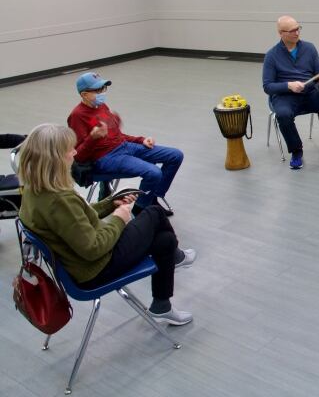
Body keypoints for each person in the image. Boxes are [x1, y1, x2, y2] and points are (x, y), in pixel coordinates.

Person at [18, 124, 196, 325]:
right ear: (55, 159)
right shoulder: (59, 200)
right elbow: (93, 248)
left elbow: (76, 219)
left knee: (165, 240)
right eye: (70, 149)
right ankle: (176, 259)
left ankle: (162, 304)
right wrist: (119, 217)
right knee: (154, 213)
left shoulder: (33, 191)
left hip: (79, 263)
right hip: (95, 269)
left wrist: (110, 203)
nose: (75, 152)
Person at [67, 72, 183, 216]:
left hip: (124, 146)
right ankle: (140, 210)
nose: (102, 93)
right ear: (84, 94)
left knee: (175, 155)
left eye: (103, 89)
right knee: (153, 173)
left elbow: (118, 135)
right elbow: (79, 157)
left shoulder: (102, 106)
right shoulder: (77, 116)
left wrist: (141, 140)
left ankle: (152, 198)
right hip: (106, 158)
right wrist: (93, 137)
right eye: (97, 90)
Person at [262, 15, 319, 170]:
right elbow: (268, 86)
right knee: (283, 114)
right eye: (292, 30)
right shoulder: (271, 55)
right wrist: (288, 85)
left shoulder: (309, 48)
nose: (296, 33)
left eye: (298, 28)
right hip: (285, 97)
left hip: (310, 93)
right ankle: (296, 151)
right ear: (281, 33)